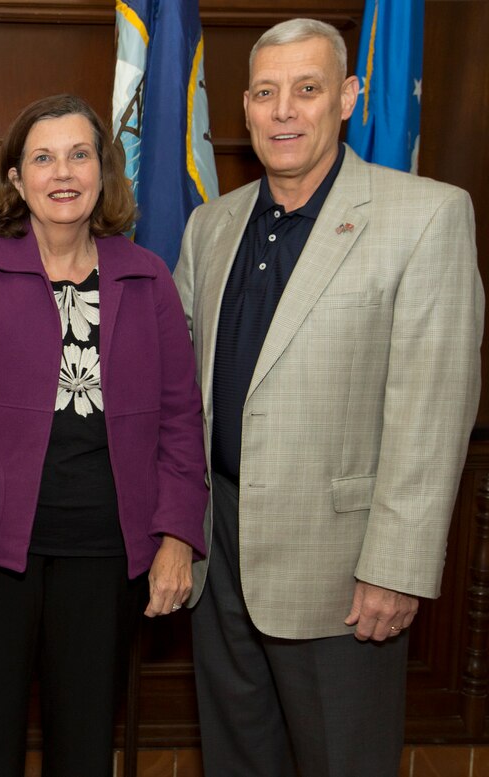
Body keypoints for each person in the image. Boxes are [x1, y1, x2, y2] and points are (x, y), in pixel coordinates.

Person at [174, 18, 484, 776]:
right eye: (267, 93)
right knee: (237, 759)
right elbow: (184, 391)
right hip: (220, 554)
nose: (285, 111)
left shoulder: (426, 216)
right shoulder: (209, 228)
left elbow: (434, 409)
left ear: (348, 97)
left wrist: (398, 566)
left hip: (343, 570)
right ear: (244, 108)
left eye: (307, 90)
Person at [0, 94, 208, 777]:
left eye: (80, 155)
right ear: (15, 178)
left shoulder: (148, 277)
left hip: (105, 555)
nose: (63, 172)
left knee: (83, 749)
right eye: (42, 158)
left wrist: (176, 538)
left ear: (104, 171)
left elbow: (179, 420)